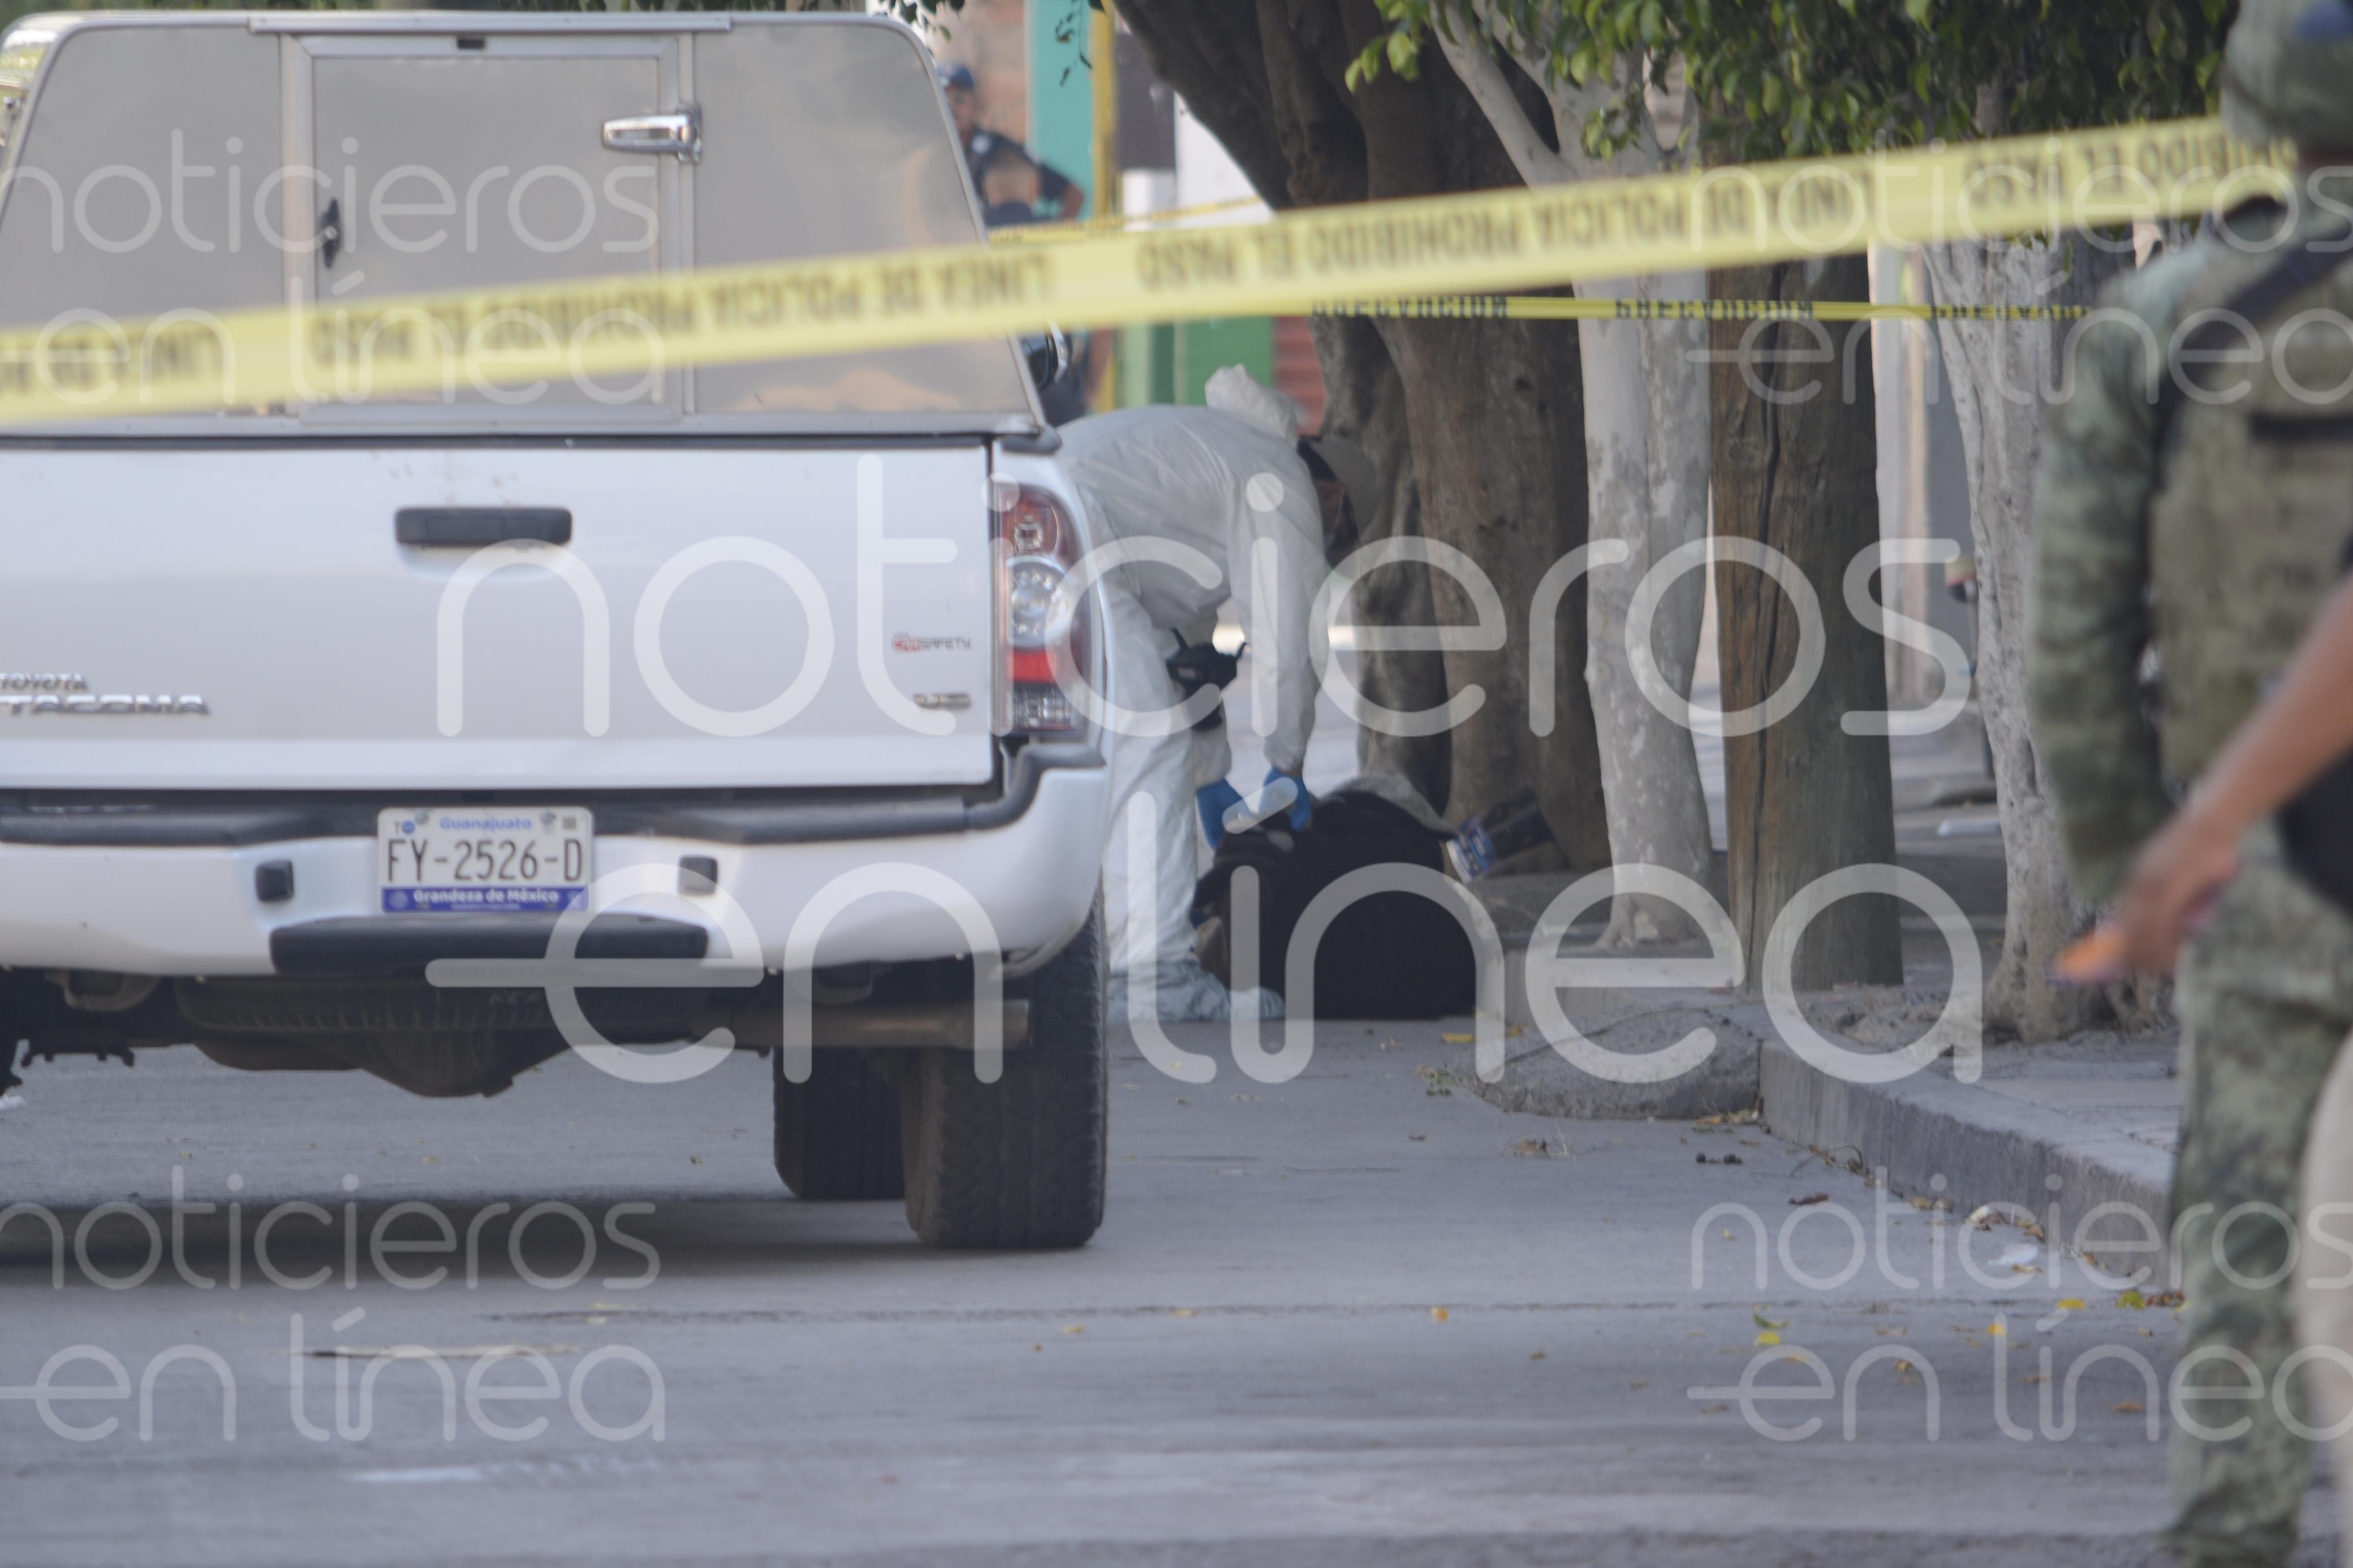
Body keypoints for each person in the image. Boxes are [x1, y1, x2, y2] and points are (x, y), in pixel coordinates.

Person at [2029, 3, 2353, 1563]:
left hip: (2264, 877)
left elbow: (2077, 636)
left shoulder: (2160, 318)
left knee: (2243, 1244)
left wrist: (2130, 864)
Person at [1056, 378, 1375, 1021]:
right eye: (1336, 540)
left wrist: (1208, 777)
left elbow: (1184, 658)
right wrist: (1286, 769)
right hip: (1075, 534)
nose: (1325, 551)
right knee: (1148, 744)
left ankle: (1092, 957)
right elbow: (1289, 643)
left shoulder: (1216, 456)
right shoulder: (1279, 481)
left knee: (1076, 756)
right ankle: (1153, 977)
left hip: (1030, 522)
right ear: (1333, 497)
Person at [937, 62, 1085, 222]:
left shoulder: (1000, 149)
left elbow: (1074, 194)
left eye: (959, 99)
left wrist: (1056, 238)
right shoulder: (922, 157)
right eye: (942, 100)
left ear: (975, 103)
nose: (951, 108)